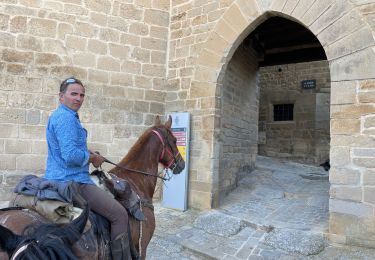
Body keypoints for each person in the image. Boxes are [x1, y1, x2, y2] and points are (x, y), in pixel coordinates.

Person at [44, 77, 131, 260]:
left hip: (56, 177)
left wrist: (87, 151)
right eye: (73, 94)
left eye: (82, 95)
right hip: (73, 181)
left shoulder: (60, 116)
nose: (78, 98)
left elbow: (67, 148)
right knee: (120, 215)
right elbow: (69, 156)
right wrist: (92, 158)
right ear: (61, 96)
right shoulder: (66, 118)